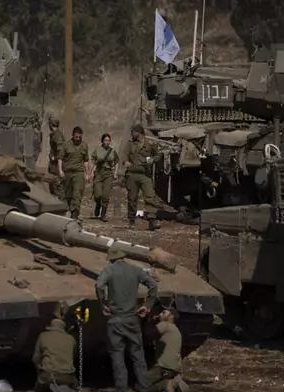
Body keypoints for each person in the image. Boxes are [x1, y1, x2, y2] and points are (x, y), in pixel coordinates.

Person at [95, 247, 158, 392]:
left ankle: (121, 388)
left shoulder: (109, 270)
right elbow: (153, 285)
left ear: (111, 259)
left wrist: (102, 304)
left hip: (115, 320)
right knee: (137, 354)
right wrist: (147, 306)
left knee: (117, 356)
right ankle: (143, 386)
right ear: (123, 257)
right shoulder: (136, 270)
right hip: (132, 319)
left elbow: (99, 285)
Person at [122, 124, 163, 230]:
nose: (131, 133)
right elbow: (124, 155)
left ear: (138, 132)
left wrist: (153, 159)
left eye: (133, 131)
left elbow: (158, 155)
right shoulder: (130, 144)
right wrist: (125, 161)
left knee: (150, 196)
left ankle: (152, 220)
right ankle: (131, 220)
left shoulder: (150, 143)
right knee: (132, 198)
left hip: (145, 175)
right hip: (132, 174)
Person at [32, 302, 78, 392]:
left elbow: (35, 358)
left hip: (48, 377)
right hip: (67, 378)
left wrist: (40, 371)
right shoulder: (71, 339)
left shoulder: (43, 336)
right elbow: (73, 357)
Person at [146, 309, 189, 392]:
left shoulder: (166, 325)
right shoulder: (176, 330)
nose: (160, 314)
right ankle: (168, 384)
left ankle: (167, 385)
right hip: (173, 369)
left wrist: (147, 320)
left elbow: (147, 334)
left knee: (140, 383)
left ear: (171, 316)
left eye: (163, 312)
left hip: (162, 367)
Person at [57, 126, 90, 220]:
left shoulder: (84, 145)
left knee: (77, 193)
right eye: (76, 137)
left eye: (80, 137)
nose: (78, 139)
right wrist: (60, 170)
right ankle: (68, 211)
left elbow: (86, 160)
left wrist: (87, 173)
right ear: (73, 135)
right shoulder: (66, 145)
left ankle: (75, 214)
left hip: (79, 172)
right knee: (68, 194)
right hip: (67, 173)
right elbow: (60, 158)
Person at [90, 133, 119, 221]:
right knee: (98, 194)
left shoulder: (112, 151)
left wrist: (115, 172)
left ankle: (103, 215)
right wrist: (90, 173)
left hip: (108, 174)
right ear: (102, 141)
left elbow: (116, 161)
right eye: (106, 140)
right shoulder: (97, 150)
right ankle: (98, 204)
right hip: (99, 173)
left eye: (109, 140)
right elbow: (93, 161)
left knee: (105, 196)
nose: (107, 142)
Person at [47, 117, 65, 200]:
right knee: (53, 187)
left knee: (58, 186)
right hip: (54, 166)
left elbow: (60, 150)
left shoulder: (57, 135)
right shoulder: (54, 135)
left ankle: (63, 206)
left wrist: (55, 158)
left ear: (51, 125)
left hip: (56, 166)